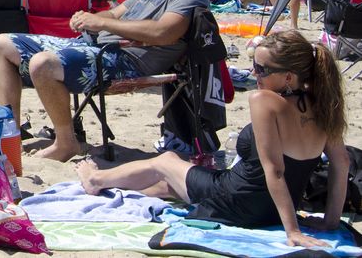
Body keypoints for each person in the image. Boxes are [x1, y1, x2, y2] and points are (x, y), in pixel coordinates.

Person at [77, 30, 347, 248]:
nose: (254, 74)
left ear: (288, 77)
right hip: (273, 209)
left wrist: (293, 232)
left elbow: (274, 170)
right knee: (166, 187)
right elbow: (341, 163)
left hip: (239, 201)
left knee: (167, 160)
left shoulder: (265, 101)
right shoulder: (323, 104)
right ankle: (119, 189)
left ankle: (95, 180)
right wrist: (331, 222)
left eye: (261, 69)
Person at [0, 0, 213, 161]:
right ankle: (11, 135)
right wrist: (89, 19)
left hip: (126, 60)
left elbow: (163, 32)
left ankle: (66, 143)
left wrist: (103, 25)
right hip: (96, 46)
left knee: (42, 64)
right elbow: (114, 14)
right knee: (1, 44)